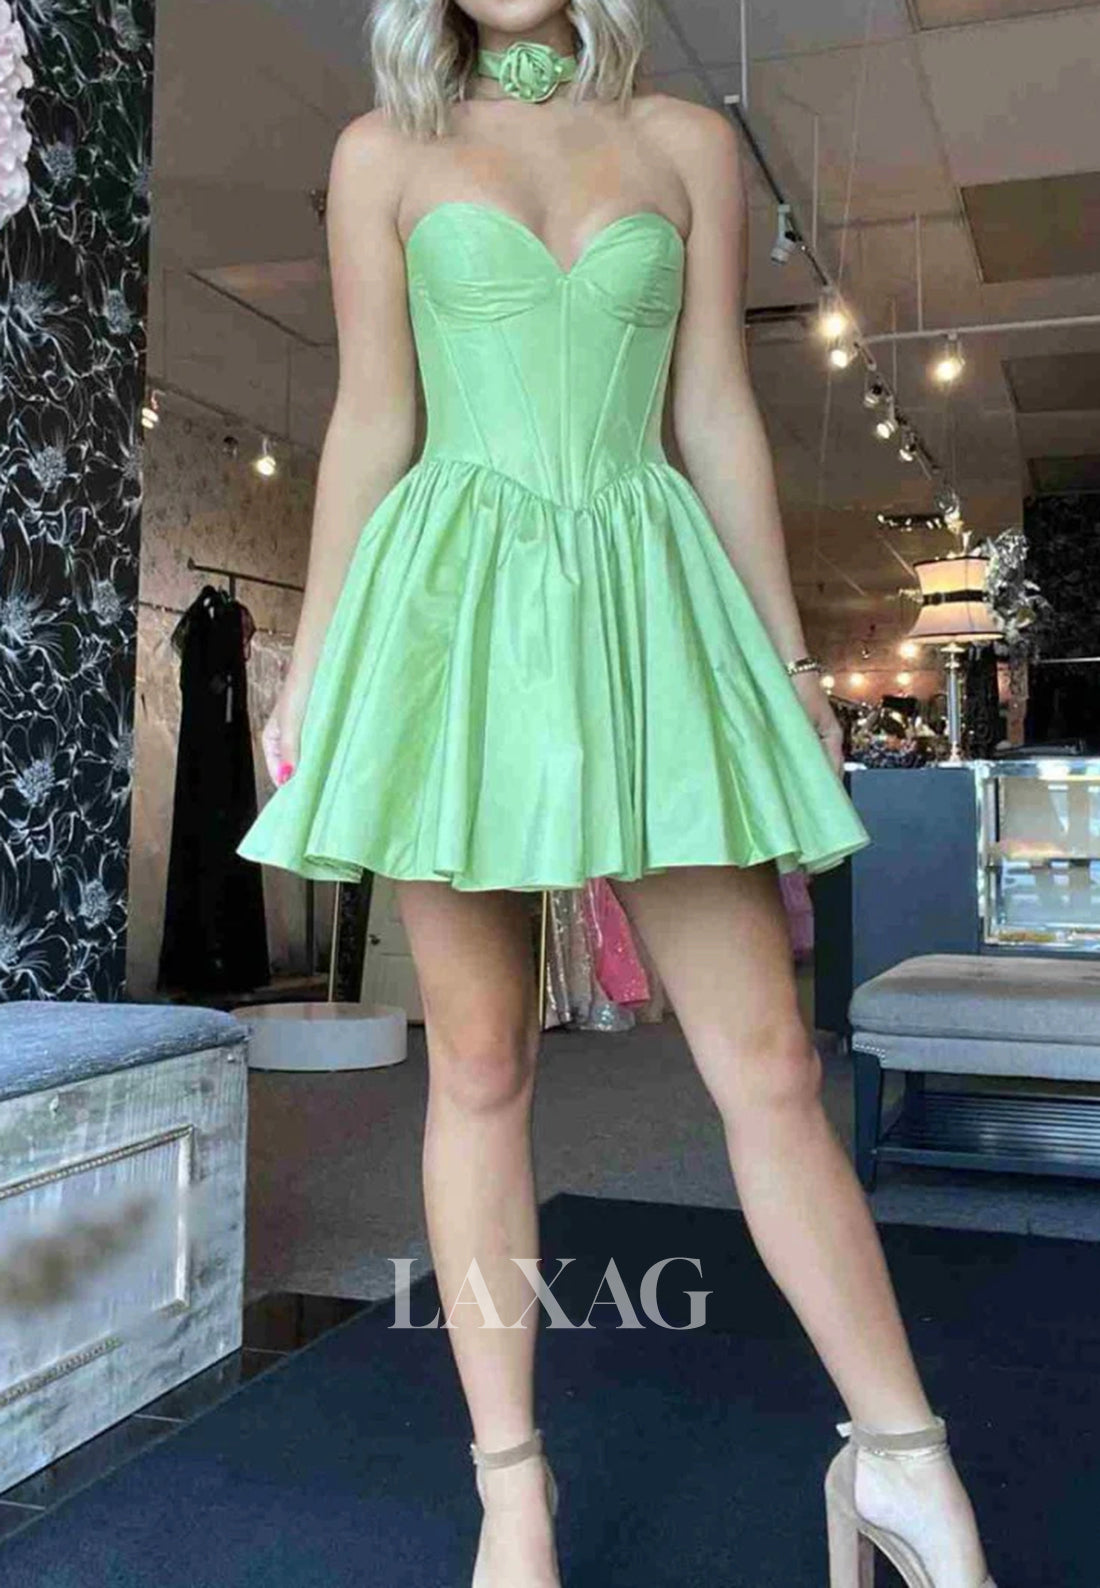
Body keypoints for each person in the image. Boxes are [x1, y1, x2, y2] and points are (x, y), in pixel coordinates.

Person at [236, 3, 998, 1585]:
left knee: (770, 1059)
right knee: (480, 1065)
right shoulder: (383, 152)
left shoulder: (685, 142)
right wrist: (312, 658)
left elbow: (713, 406)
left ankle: (900, 1458)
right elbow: (374, 414)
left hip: (647, 602)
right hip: (455, 610)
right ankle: (512, 1493)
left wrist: (788, 661)